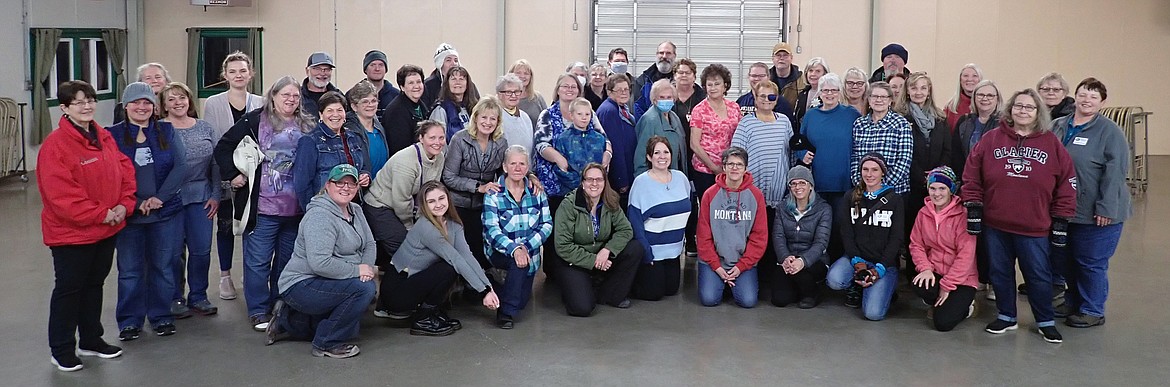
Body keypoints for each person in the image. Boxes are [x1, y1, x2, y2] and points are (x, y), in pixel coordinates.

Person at [963, 88, 1076, 343]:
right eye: (1018, 106)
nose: (1023, 111)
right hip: (996, 223)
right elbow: (971, 173)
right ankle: (1006, 315)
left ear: (1038, 112)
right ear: (1010, 110)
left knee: (1038, 274)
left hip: (1034, 226)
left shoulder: (1051, 143)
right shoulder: (992, 139)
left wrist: (1061, 219)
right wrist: (974, 207)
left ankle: (1045, 320)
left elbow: (1067, 182)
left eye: (1029, 107)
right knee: (1000, 272)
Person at [39, 80, 134, 371]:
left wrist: (123, 205)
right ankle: (62, 348)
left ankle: (91, 340)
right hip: (72, 234)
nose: (87, 106)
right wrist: (101, 214)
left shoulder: (103, 136)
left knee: (94, 285)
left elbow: (124, 172)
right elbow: (61, 196)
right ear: (65, 108)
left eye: (90, 99)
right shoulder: (55, 146)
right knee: (69, 289)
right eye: (78, 102)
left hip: (106, 229)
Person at [213, 75, 316, 331]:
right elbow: (223, 148)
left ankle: (279, 304)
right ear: (273, 96)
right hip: (263, 208)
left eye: (295, 96)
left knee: (286, 261)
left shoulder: (307, 124)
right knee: (257, 261)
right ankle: (258, 310)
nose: (291, 100)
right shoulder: (255, 120)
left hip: (296, 210)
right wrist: (233, 175)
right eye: (285, 95)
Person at [268, 164, 376, 358]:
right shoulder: (319, 217)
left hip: (329, 278)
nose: (346, 188)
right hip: (302, 283)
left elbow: (369, 243)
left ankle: (288, 320)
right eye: (340, 183)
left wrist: (365, 269)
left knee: (352, 326)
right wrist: (356, 271)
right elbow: (320, 263)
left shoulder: (356, 210)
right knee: (363, 291)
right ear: (328, 185)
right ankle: (326, 342)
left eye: (351, 184)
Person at [108, 82, 189, 339]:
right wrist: (134, 203)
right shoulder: (112, 135)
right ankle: (130, 321)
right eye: (136, 103)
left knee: (163, 267)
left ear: (154, 107)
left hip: (164, 213)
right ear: (125, 106)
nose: (142, 107)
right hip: (129, 215)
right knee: (130, 270)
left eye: (147, 102)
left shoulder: (166, 130)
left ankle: (161, 316)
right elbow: (110, 174)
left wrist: (159, 198)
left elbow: (180, 166)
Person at [1051, 78, 1131, 328]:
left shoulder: (1110, 132)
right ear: (1075, 97)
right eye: (1083, 95)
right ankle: (1073, 300)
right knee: (1065, 259)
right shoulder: (1058, 125)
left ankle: (1093, 309)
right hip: (1065, 209)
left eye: (1094, 97)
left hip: (1097, 211)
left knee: (1090, 262)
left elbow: (1116, 173)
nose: (1087, 100)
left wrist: (1106, 208)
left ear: (1102, 102)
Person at [380, 181, 501, 335]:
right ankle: (423, 319)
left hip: (415, 281)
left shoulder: (453, 224)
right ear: (424, 205)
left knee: (451, 267)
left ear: (448, 199)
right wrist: (483, 292)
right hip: (397, 289)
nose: (438, 205)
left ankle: (432, 311)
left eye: (441, 198)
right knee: (449, 267)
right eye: (431, 201)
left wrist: (488, 287)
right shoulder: (426, 227)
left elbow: (467, 257)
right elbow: (456, 260)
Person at [366, 121, 447, 317]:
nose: (437, 142)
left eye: (441, 138)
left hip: (407, 206)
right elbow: (400, 200)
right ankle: (389, 304)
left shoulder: (439, 157)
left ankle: (405, 300)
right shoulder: (406, 161)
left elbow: (429, 191)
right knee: (406, 248)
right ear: (421, 138)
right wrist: (413, 229)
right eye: (432, 138)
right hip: (381, 205)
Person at [202, 52, 263, 300]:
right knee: (226, 227)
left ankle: (250, 274)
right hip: (225, 174)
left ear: (250, 74)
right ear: (225, 76)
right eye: (233, 71)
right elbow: (214, 142)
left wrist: (249, 172)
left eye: (243, 71)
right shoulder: (213, 103)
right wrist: (231, 174)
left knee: (252, 226)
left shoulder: (261, 102)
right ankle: (225, 276)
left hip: (254, 175)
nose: (238, 75)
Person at [160, 82, 220, 317]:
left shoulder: (205, 127)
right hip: (170, 199)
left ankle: (199, 296)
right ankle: (175, 297)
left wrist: (216, 194)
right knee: (173, 253)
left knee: (201, 251)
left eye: (182, 97)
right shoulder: (159, 129)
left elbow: (215, 164)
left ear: (190, 100)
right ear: (164, 105)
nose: (178, 103)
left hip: (201, 196)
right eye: (171, 99)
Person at [552, 163, 644, 316]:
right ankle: (578, 290)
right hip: (574, 261)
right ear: (583, 183)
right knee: (582, 308)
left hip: (602, 256)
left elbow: (626, 230)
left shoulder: (611, 201)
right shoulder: (568, 205)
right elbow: (563, 246)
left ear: (604, 182)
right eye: (590, 179)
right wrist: (594, 260)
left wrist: (608, 250)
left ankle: (608, 295)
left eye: (599, 180)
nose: (594, 184)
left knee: (635, 248)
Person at [826, 153, 904, 321]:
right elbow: (846, 232)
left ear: (883, 172)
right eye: (865, 169)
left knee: (873, 314)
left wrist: (880, 268)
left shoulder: (895, 200)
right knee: (834, 279)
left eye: (875, 170)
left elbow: (896, 238)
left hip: (883, 263)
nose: (869, 174)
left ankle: (885, 289)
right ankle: (860, 283)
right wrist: (856, 261)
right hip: (857, 258)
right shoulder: (851, 196)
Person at [482, 145, 553, 328]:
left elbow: (546, 225)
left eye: (522, 164)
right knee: (518, 265)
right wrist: (515, 249)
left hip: (529, 254)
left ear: (528, 167)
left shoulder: (537, 192)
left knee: (522, 301)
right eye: (513, 163)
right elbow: (492, 229)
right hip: (500, 251)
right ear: (505, 167)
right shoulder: (493, 194)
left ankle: (494, 285)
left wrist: (525, 247)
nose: (517, 168)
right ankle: (505, 313)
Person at [730, 80, 794, 280]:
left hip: (778, 193)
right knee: (753, 234)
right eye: (762, 96)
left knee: (774, 235)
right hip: (752, 192)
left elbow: (790, 154)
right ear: (755, 99)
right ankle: (750, 275)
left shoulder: (784, 121)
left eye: (771, 96)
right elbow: (736, 156)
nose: (767, 100)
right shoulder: (746, 123)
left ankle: (770, 277)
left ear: (777, 99)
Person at [799, 73, 861, 260]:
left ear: (840, 92)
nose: (830, 94)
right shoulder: (811, 116)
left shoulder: (850, 114)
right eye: (825, 90)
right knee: (818, 228)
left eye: (834, 90)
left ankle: (838, 267)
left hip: (844, 184)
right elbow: (799, 143)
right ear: (819, 93)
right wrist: (803, 154)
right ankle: (818, 266)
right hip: (817, 184)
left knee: (839, 228)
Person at [696, 147, 766, 308]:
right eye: (730, 164)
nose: (734, 168)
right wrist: (716, 266)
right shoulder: (710, 194)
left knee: (748, 301)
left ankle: (731, 283)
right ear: (724, 167)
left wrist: (742, 266)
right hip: (713, 262)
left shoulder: (756, 196)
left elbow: (759, 237)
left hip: (742, 262)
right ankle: (721, 281)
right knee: (709, 299)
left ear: (746, 169)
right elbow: (703, 236)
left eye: (739, 165)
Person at [909, 166, 977, 331]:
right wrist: (925, 269)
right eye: (932, 188)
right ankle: (937, 301)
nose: (936, 193)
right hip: (935, 271)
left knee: (943, 324)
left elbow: (966, 256)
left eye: (942, 188)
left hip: (962, 279)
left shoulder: (963, 215)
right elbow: (916, 244)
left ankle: (966, 306)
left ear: (951, 190)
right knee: (919, 283)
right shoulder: (923, 213)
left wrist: (947, 286)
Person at [443, 96, 508, 269]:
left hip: (484, 205)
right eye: (484, 117)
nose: (487, 122)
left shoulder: (501, 142)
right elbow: (449, 177)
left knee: (482, 251)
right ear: (476, 117)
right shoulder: (459, 139)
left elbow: (504, 172)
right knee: (462, 249)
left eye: (492, 118)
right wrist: (478, 187)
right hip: (459, 204)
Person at [951, 80, 1001, 298]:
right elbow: (955, 154)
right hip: (969, 186)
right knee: (973, 234)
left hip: (995, 188)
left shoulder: (1004, 124)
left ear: (998, 99)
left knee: (994, 236)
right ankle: (979, 277)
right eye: (981, 95)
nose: (985, 99)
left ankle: (993, 281)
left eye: (990, 95)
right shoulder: (965, 121)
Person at [627, 137, 691, 300]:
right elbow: (635, 222)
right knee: (653, 294)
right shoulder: (641, 183)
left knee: (671, 290)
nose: (662, 156)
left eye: (666, 152)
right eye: (657, 153)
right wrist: (646, 252)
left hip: (674, 251)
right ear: (649, 157)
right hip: (652, 252)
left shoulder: (681, 178)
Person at [895, 73, 952, 249]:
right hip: (911, 182)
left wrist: (936, 175)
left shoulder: (940, 118)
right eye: (914, 88)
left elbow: (947, 150)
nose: (918, 92)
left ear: (929, 91)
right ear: (907, 91)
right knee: (913, 228)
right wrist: (921, 177)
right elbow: (902, 152)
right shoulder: (900, 118)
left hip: (937, 184)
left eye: (923, 88)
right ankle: (914, 270)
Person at [293, 91, 372, 211]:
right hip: (324, 208)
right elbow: (302, 184)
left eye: (339, 110)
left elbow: (364, 166)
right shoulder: (310, 141)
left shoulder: (354, 137)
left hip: (353, 207)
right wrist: (311, 210)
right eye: (330, 110)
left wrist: (366, 175)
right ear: (321, 114)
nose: (335, 115)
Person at [771, 166, 831, 308]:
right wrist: (785, 257)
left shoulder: (824, 209)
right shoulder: (782, 207)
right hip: (789, 259)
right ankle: (798, 289)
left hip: (814, 260)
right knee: (779, 300)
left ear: (810, 185)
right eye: (793, 183)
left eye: (802, 183)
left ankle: (812, 293)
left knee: (803, 275)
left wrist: (802, 261)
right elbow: (778, 236)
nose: (798, 187)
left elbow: (821, 243)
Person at [690, 63, 743, 204]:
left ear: (725, 86)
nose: (713, 88)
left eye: (717, 84)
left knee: (729, 207)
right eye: (709, 84)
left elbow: (740, 136)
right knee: (710, 208)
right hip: (705, 171)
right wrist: (715, 169)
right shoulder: (699, 110)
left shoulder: (734, 107)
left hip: (731, 169)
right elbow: (694, 144)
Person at [850, 81, 913, 196]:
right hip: (864, 191)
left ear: (890, 101)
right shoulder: (859, 124)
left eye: (883, 97)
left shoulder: (901, 124)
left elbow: (904, 160)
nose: (879, 100)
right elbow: (855, 157)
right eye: (874, 96)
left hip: (894, 191)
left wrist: (881, 186)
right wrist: (860, 183)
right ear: (869, 100)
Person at [595, 74, 638, 199]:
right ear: (609, 92)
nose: (624, 93)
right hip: (618, 178)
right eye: (619, 90)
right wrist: (622, 180)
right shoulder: (609, 111)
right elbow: (615, 147)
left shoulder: (622, 108)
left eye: (626, 89)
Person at [634, 79, 688, 176]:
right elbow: (641, 155)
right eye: (662, 97)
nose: (666, 100)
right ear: (654, 100)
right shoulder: (649, 120)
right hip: (656, 176)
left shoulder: (674, 117)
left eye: (669, 97)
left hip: (675, 174)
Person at [344, 81, 391, 179]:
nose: (370, 105)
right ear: (354, 106)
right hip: (361, 187)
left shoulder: (379, 126)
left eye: (374, 101)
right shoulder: (349, 130)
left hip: (381, 186)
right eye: (365, 101)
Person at [382, 64, 430, 155]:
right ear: (402, 87)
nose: (416, 86)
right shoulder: (396, 111)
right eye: (411, 83)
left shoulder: (421, 105)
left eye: (419, 82)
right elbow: (399, 148)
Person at [429, 66, 480, 140]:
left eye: (461, 79)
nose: (457, 82)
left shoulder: (473, 108)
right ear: (447, 83)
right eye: (453, 79)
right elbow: (438, 140)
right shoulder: (440, 109)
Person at [633, 41, 677, 118]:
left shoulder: (681, 79)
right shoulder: (643, 80)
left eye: (668, 53)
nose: (664, 56)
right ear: (656, 55)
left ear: (674, 56)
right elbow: (638, 108)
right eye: (661, 53)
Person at [495, 74, 535, 153]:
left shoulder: (525, 117)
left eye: (517, 92)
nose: (513, 96)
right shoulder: (495, 116)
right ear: (500, 95)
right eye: (509, 92)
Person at [356, 50, 401, 118]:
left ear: (385, 69)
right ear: (365, 69)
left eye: (381, 65)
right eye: (373, 65)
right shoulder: (354, 95)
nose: (377, 69)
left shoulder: (396, 96)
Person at [301, 52, 342, 120]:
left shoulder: (338, 95)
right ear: (307, 71)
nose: (322, 73)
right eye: (317, 68)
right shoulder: (297, 97)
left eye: (327, 69)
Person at [509, 59, 548, 129]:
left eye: (526, 73)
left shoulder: (537, 98)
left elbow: (547, 121)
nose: (522, 76)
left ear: (530, 77)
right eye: (518, 73)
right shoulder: (503, 98)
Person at [768, 42, 806, 110]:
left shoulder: (802, 80)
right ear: (773, 58)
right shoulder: (766, 79)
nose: (781, 58)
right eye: (778, 55)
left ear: (791, 58)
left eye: (785, 55)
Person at [944, 64, 983, 130]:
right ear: (960, 80)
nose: (970, 79)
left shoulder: (986, 104)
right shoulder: (951, 106)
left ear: (980, 80)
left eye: (975, 76)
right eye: (965, 76)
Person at [792, 57, 828, 128]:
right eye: (810, 71)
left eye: (818, 71)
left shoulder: (828, 95)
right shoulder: (802, 94)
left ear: (824, 74)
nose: (813, 74)